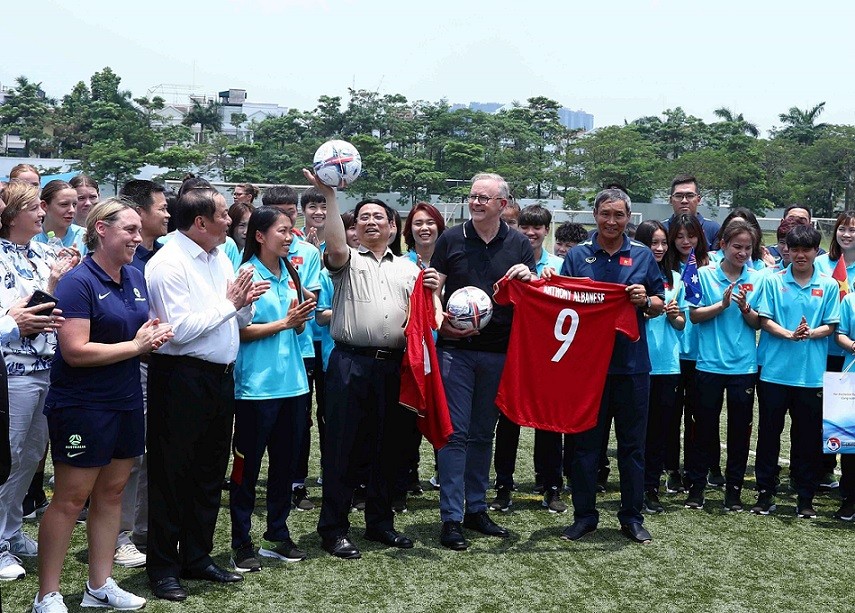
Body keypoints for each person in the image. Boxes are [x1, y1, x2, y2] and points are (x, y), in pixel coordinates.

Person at [32, 199, 173, 613]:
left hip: (126, 400)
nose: (137, 236)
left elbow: (135, 335)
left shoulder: (135, 276)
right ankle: (48, 594)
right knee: (71, 498)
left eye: (137, 229)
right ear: (101, 230)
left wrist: (149, 339)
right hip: (82, 404)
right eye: (129, 229)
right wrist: (136, 345)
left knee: (111, 494)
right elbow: (75, 350)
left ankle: (99, 584)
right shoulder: (78, 281)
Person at [303, 169, 438, 560]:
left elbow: (431, 318)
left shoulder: (411, 269)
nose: (372, 222)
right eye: (364, 218)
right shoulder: (346, 260)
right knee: (343, 447)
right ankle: (334, 528)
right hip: (350, 363)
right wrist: (329, 196)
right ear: (355, 229)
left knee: (390, 447)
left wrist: (435, 292)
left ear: (394, 228)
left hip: (395, 368)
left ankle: (380, 523)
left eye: (380, 217)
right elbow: (333, 239)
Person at [144, 187, 268, 601]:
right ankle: (163, 566)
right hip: (181, 377)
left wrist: (243, 303)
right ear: (199, 222)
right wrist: (230, 304)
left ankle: (196, 556)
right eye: (222, 215)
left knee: (209, 472)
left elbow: (229, 317)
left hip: (219, 377)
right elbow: (177, 332)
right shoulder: (169, 263)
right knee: (172, 473)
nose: (230, 221)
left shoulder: (219, 256)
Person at [432, 172, 535, 551]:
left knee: (482, 434)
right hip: (455, 352)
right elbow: (434, 290)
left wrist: (529, 275)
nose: (475, 203)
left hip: (499, 353)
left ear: (502, 205)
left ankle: (476, 508)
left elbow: (531, 297)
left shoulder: (520, 243)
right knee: (454, 434)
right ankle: (451, 517)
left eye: (484, 198)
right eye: (472, 196)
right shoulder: (450, 239)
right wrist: (443, 323)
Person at [559, 187, 664, 544]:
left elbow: (658, 303)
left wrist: (644, 299)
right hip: (587, 368)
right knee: (586, 447)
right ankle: (584, 516)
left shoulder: (642, 255)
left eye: (619, 215)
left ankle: (631, 516)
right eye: (606, 213)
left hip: (632, 365)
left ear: (628, 218)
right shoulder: (577, 255)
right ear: (594, 214)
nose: (612, 221)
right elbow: (562, 301)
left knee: (633, 446)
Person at [229, 206, 316, 572]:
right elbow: (237, 331)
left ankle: (277, 535)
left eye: (291, 230)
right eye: (282, 230)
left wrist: (299, 320)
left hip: (293, 385)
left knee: (283, 466)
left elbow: (296, 327)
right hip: (255, 388)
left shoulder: (291, 271)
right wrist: (285, 322)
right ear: (260, 236)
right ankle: (242, 541)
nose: (289, 235)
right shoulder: (246, 274)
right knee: (246, 470)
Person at [0, 181, 79, 572]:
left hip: (48, 369)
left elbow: (57, 303)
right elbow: (18, 315)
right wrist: (49, 287)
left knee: (31, 457)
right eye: (33, 206)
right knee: (8, 456)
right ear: (12, 215)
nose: (41, 212)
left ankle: (11, 530)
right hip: (12, 372)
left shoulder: (47, 252)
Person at [752, 224, 838, 518]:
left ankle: (805, 496)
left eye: (807, 249)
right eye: (795, 249)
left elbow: (832, 325)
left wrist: (811, 333)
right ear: (786, 250)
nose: (800, 255)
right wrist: (789, 334)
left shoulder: (827, 285)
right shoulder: (774, 282)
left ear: (817, 251)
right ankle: (765, 492)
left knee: (807, 439)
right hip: (774, 373)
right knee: (768, 434)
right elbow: (765, 320)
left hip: (811, 375)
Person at [110, 179, 170, 568]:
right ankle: (118, 535)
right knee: (128, 456)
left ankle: (144, 530)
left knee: (153, 453)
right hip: (130, 366)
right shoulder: (124, 262)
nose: (167, 213)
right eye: (161, 207)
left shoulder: (162, 255)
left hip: (162, 364)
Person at [492, 204, 566, 513]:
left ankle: (552, 486)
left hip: (549, 357)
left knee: (549, 423)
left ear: (547, 231)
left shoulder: (560, 265)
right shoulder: (507, 260)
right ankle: (503, 486)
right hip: (513, 353)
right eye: (525, 226)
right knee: (508, 421)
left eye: (537, 227)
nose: (530, 233)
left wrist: (548, 283)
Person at [684, 220, 761, 512]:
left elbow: (757, 323)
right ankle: (697, 488)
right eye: (736, 247)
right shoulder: (703, 274)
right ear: (724, 245)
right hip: (709, 366)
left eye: (747, 248)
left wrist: (745, 309)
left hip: (743, 367)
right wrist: (722, 305)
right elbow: (694, 316)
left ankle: (733, 491)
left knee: (739, 433)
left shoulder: (758, 278)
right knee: (703, 430)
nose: (741, 253)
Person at [261, 186, 322, 512]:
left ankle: (296, 485)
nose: (288, 219)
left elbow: (307, 303)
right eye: (280, 213)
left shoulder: (307, 254)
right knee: (258, 425)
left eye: (290, 211)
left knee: (299, 423)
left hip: (301, 349)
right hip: (259, 354)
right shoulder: (252, 254)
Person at [635, 220, 685, 514]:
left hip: (667, 365)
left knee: (658, 432)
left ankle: (650, 487)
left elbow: (681, 324)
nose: (659, 248)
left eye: (663, 243)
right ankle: (631, 486)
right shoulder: (631, 275)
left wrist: (674, 315)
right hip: (636, 363)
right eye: (653, 242)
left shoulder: (676, 278)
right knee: (634, 433)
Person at [663, 214, 710, 493]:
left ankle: (696, 470)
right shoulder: (663, 268)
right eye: (679, 236)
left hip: (701, 355)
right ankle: (671, 469)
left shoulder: (709, 267)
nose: (685, 242)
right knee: (669, 417)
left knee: (697, 417)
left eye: (690, 236)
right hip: (671, 355)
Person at [814, 211, 855, 491]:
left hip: (850, 356)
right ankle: (824, 469)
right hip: (821, 349)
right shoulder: (820, 263)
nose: (847, 234)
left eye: (853, 230)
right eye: (842, 229)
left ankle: (848, 478)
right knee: (822, 414)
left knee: (847, 416)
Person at [662, 174, 720, 250]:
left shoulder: (713, 229)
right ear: (670, 200)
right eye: (678, 196)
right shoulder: (661, 229)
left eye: (690, 196)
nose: (684, 201)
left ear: (698, 199)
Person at [33, 180, 87, 254]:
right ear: (44, 206)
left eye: (74, 205)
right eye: (64, 204)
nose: (72, 210)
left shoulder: (85, 237)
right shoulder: (31, 238)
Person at [301, 187, 328, 253]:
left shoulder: (335, 242)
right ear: (303, 210)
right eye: (312, 207)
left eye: (324, 207)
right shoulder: (293, 239)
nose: (319, 212)